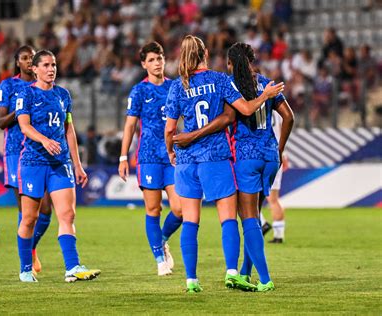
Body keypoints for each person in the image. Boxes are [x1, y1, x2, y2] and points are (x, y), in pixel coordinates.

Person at [164, 36, 284, 293]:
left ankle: (191, 280)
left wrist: (172, 152)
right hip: (216, 157)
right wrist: (265, 95)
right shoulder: (219, 80)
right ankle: (232, 272)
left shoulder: (176, 86)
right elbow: (242, 111)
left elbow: (170, 129)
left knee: (190, 221)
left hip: (185, 159)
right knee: (229, 218)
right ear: (205, 53)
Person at [15, 50, 100, 282]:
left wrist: (78, 164)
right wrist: (43, 140)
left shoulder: (63, 95)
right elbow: (24, 126)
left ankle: (72, 268)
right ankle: (25, 268)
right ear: (34, 69)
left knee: (67, 214)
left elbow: (69, 129)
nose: (51, 69)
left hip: (60, 163)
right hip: (33, 162)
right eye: (45, 65)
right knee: (29, 218)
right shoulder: (26, 94)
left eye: (53, 65)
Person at [118, 42, 183, 276]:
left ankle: (162, 239)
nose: (158, 63)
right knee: (153, 208)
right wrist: (123, 156)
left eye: (160, 58)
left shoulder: (175, 87)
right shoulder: (139, 91)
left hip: (172, 156)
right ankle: (159, 259)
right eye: (153, 60)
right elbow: (130, 125)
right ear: (144, 64)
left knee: (180, 209)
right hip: (148, 157)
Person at [0, 45, 52, 274]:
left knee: (46, 211)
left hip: (39, 151)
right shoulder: (8, 86)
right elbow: (1, 122)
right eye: (25, 58)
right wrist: (20, 110)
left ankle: (30, 248)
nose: (29, 61)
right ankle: (26, 263)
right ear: (17, 62)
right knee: (28, 211)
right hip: (15, 151)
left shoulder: (44, 86)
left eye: (32, 57)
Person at [261, 111, 289, 244]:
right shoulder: (277, 108)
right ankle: (278, 234)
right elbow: (282, 129)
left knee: (269, 199)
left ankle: (263, 224)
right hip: (276, 154)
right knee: (273, 198)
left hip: (263, 154)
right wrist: (284, 153)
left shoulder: (259, 103)